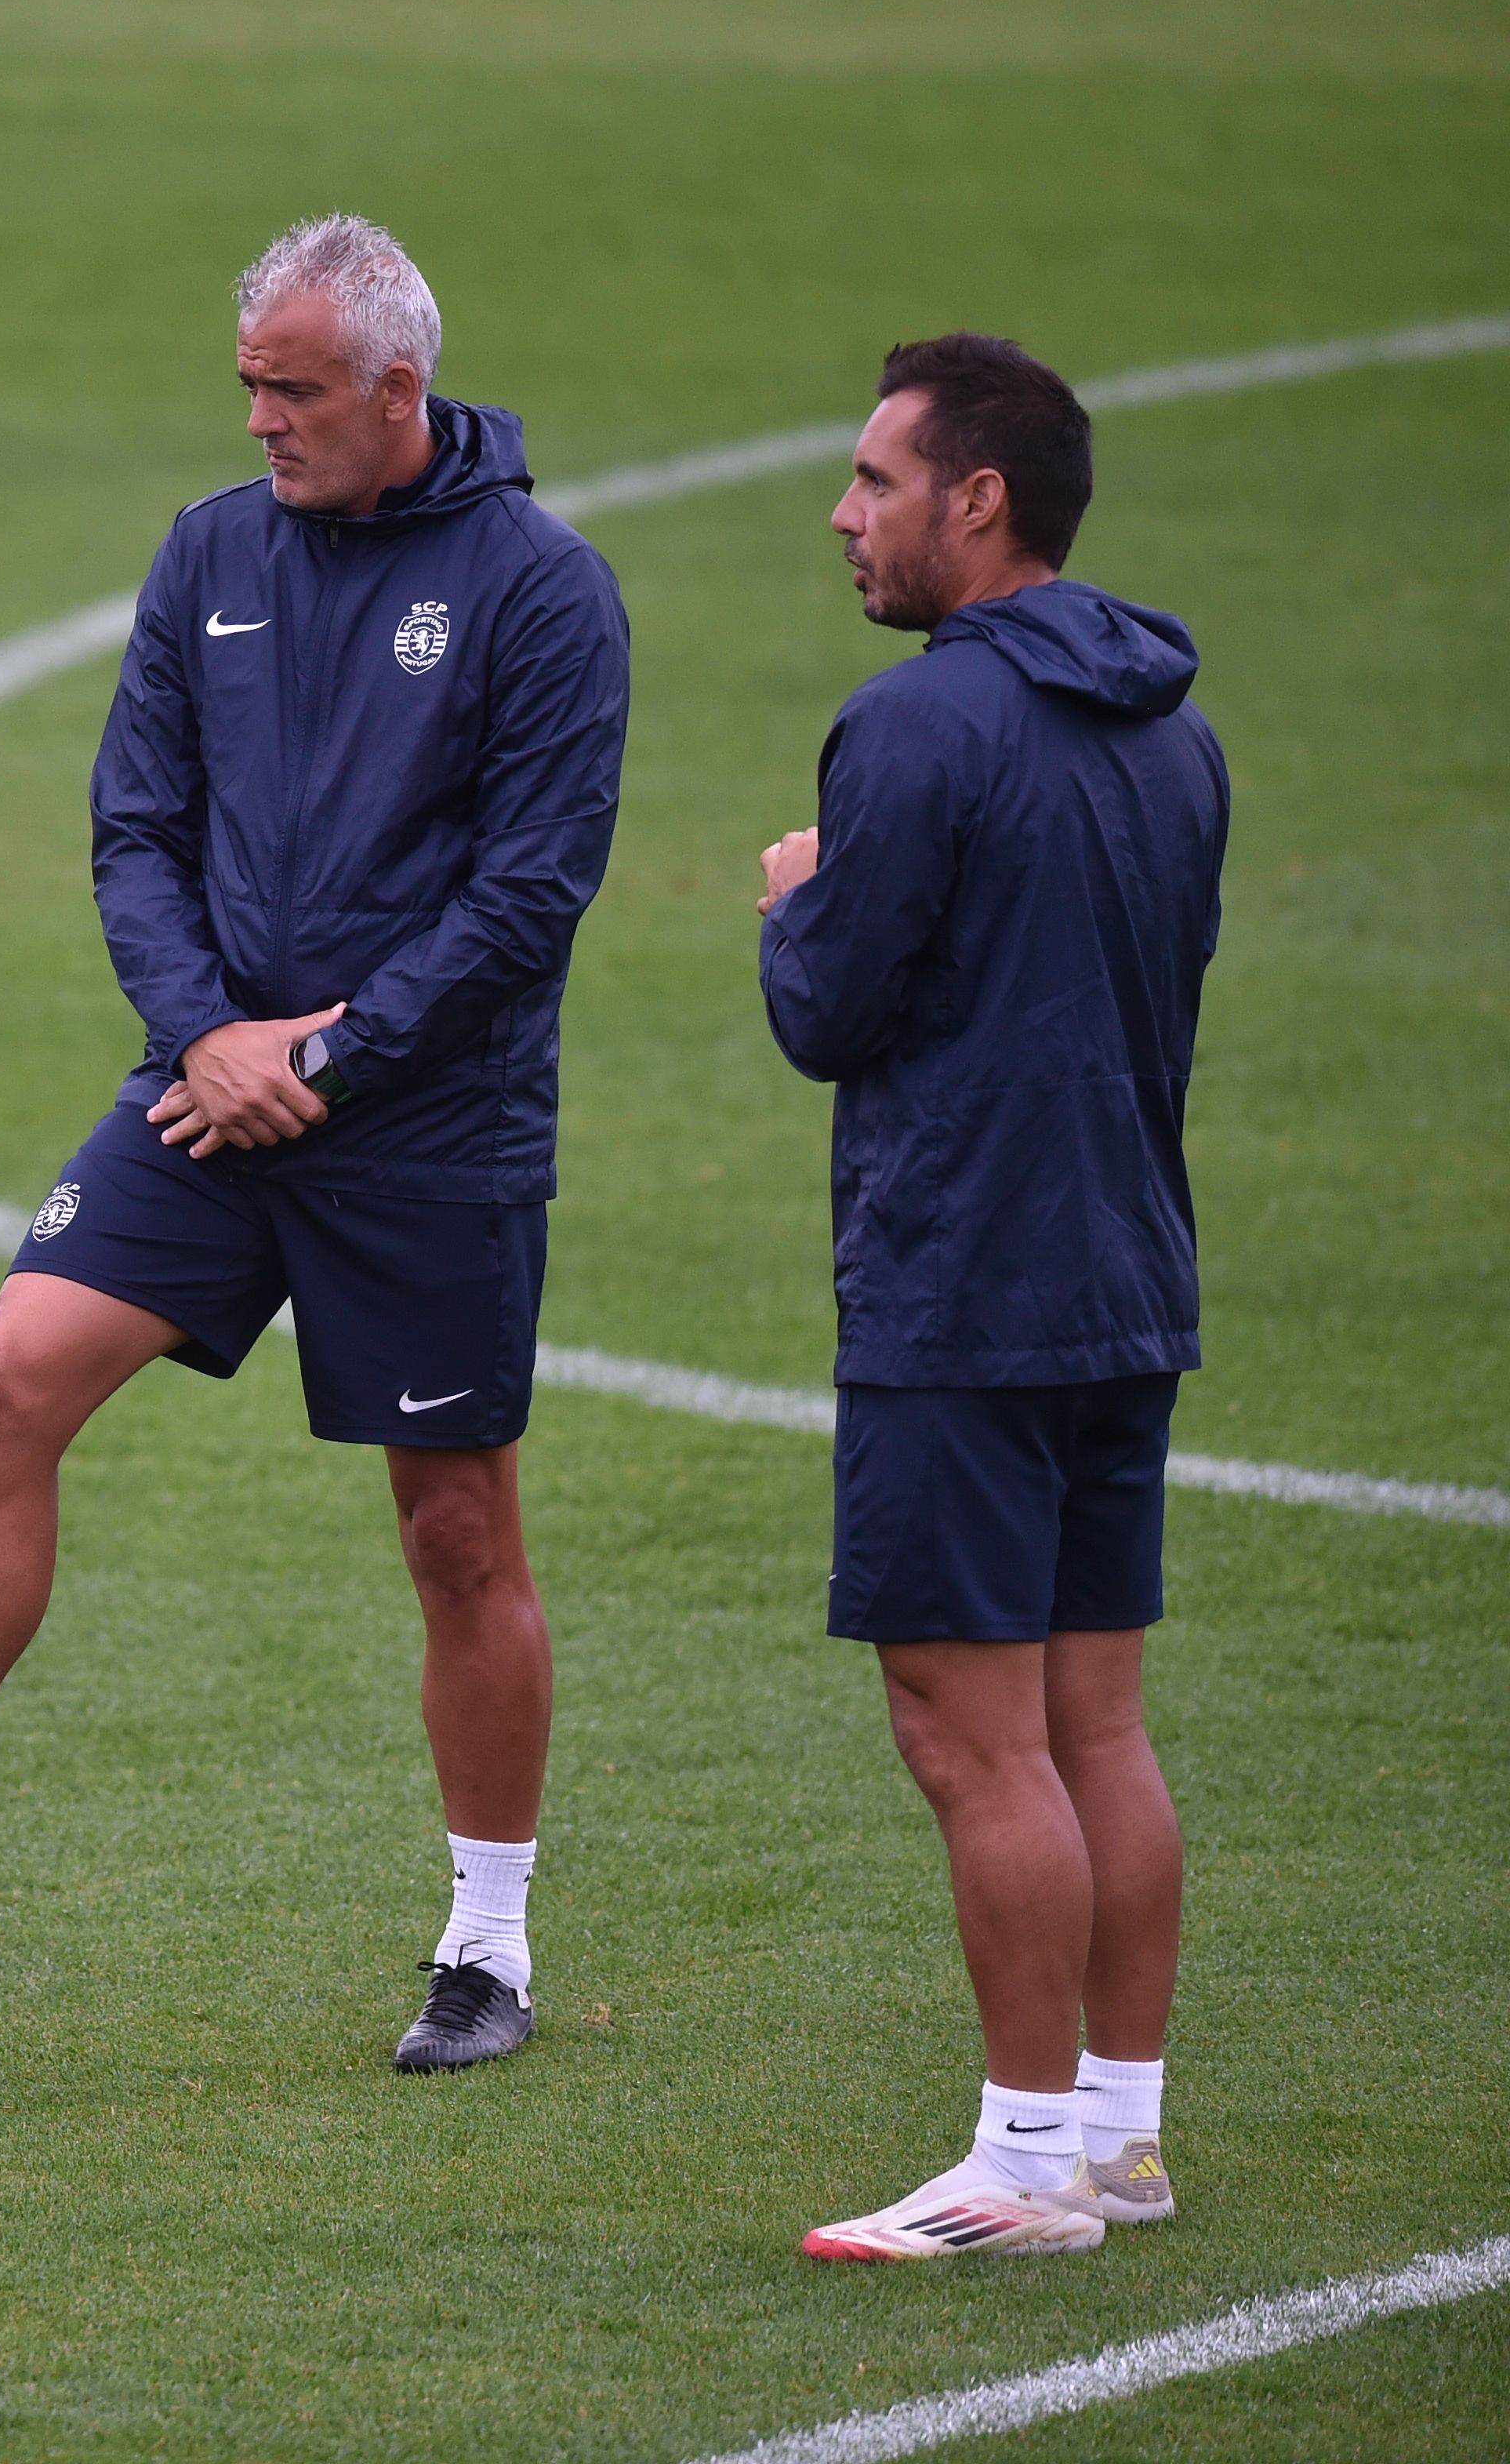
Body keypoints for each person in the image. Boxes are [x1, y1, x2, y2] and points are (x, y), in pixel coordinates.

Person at [0, 215, 629, 2075]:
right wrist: (208, 1036)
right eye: (244, 389)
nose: (260, 424)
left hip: (426, 1125)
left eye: (291, 393)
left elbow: (528, 893)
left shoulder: (542, 588)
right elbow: (133, 824)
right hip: (206, 1097)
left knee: (456, 1530)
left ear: (398, 385)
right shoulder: (210, 552)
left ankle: (488, 1943)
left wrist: (334, 1051)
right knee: (9, 1371)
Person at [763, 335, 1224, 2260]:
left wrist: (799, 896)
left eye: (876, 479)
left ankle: (1024, 2162)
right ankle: (1118, 2128)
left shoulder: (916, 729)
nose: (845, 515)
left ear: (977, 499)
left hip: (964, 1290)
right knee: (1098, 1725)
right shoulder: (1174, 725)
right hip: (1126, 1275)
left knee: (974, 1737)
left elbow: (829, 1013)